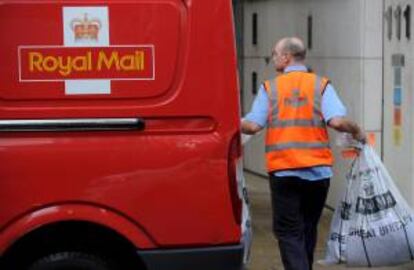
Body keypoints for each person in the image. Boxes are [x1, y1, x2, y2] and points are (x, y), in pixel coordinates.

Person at [241, 37, 366, 270]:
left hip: (284, 172)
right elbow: (337, 121)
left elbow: (252, 126)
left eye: (275, 53)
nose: (273, 57)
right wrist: (357, 130)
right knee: (307, 229)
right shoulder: (321, 85)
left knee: (289, 233)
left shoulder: (271, 88)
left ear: (287, 57)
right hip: (318, 174)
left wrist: (229, 120)